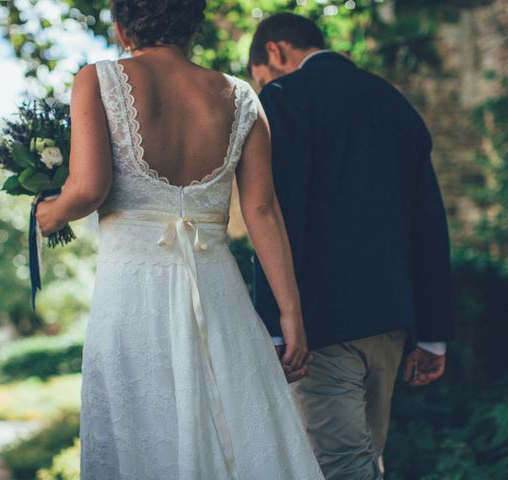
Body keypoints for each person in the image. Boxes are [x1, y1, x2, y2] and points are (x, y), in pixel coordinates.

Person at [36, 1, 323, 478]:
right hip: (219, 292)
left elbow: (88, 189)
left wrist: (51, 213)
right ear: (194, 24)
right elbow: (262, 210)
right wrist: (292, 315)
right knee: (234, 425)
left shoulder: (98, 78)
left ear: (123, 26)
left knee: (143, 435)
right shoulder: (241, 96)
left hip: (131, 294)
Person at [248, 13, 454, 480]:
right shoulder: (395, 104)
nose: (262, 83)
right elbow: (428, 222)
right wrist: (432, 333)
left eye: (259, 74)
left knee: (340, 467)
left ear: (275, 52)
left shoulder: (282, 99)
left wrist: (276, 326)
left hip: (321, 328)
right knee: (366, 456)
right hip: (392, 327)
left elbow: (274, 215)